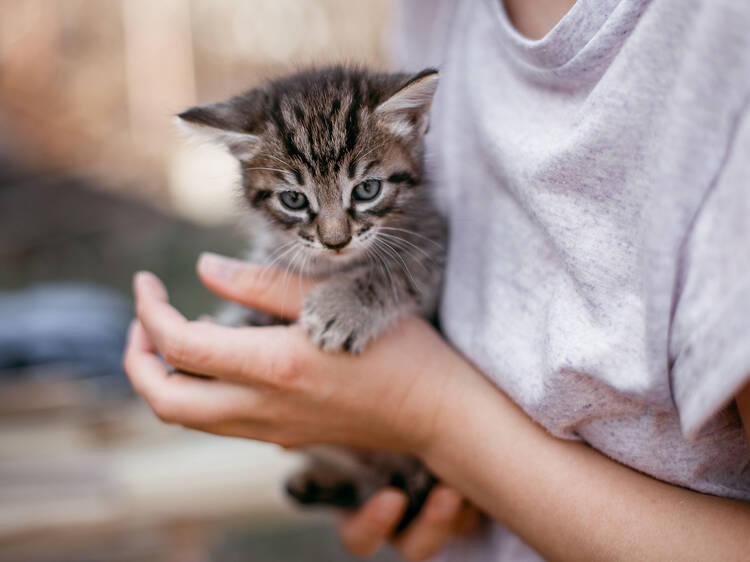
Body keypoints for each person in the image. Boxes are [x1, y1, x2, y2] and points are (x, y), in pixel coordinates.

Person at [124, 0, 750, 559]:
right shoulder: (435, 13)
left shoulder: (722, 44)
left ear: (415, 124)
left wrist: (426, 416)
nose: (336, 233)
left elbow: (423, 273)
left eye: (365, 192)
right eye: (297, 204)